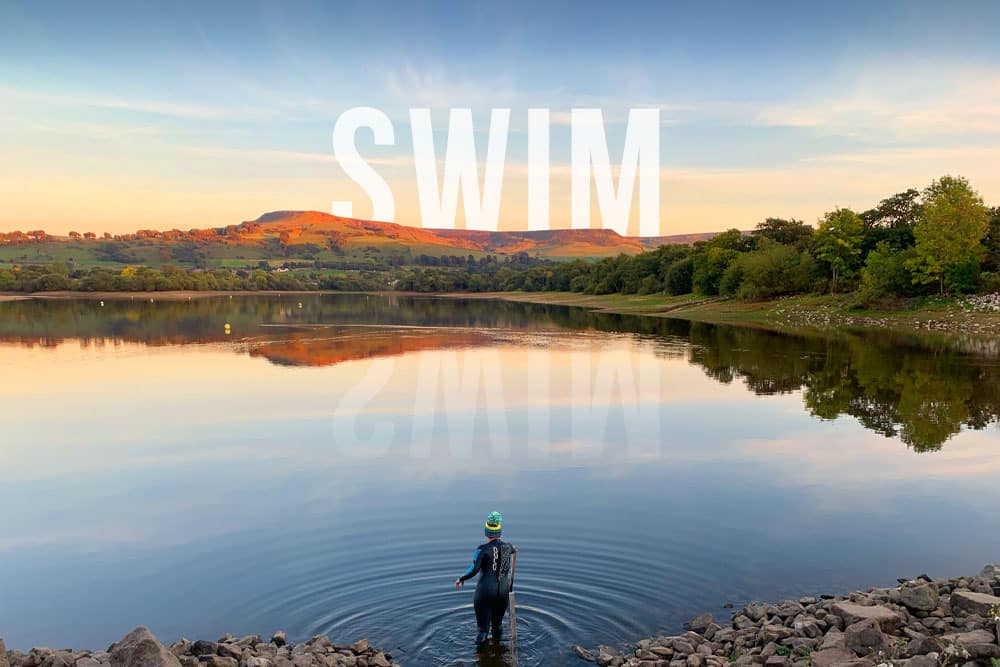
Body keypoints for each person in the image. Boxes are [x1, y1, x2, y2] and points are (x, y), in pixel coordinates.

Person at [454, 511, 517, 645]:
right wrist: (513, 549)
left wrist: (461, 578)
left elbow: (474, 569)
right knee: (497, 626)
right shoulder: (508, 547)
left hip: (485, 592)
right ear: (499, 531)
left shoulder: (482, 549)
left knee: (483, 630)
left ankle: (480, 656)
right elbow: (513, 549)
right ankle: (497, 652)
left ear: (486, 531)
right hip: (503, 592)